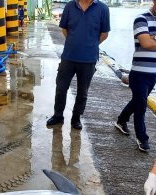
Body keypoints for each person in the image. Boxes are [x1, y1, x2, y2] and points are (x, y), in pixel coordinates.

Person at [113, 0, 156, 152]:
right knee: (141, 106)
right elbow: (146, 43)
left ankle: (121, 120)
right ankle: (142, 138)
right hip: (139, 73)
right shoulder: (141, 19)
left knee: (137, 101)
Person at [45, 0, 110, 130]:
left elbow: (104, 34)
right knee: (61, 88)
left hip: (88, 59)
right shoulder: (70, 6)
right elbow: (64, 29)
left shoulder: (103, 9)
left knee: (83, 92)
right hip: (69, 57)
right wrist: (74, 42)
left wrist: (90, 45)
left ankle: (76, 118)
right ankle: (58, 115)